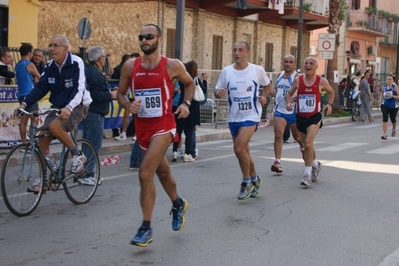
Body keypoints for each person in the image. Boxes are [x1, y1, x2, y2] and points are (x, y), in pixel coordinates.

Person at [117, 24, 193, 247]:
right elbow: (120, 94)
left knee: (144, 173)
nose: (144, 40)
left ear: (159, 39)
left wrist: (186, 104)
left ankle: (145, 228)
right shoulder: (130, 66)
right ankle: (178, 203)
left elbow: (189, 84)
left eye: (149, 37)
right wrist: (128, 104)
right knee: (162, 171)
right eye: (141, 37)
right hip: (142, 128)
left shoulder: (172, 65)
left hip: (164, 126)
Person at [15, 34, 92, 193]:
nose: (51, 49)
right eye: (50, 45)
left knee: (55, 126)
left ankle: (78, 156)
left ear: (65, 48)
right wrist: (24, 103)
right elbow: (39, 88)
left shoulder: (76, 63)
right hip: (58, 106)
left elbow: (79, 89)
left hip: (78, 105)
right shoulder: (50, 66)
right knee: (42, 136)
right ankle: (45, 177)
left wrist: (69, 108)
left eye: (55, 45)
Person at [214, 41, 271, 200]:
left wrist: (264, 96)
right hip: (234, 118)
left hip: (251, 116)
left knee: (239, 148)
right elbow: (217, 90)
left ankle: (246, 182)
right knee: (244, 151)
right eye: (234, 50)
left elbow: (268, 85)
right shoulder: (226, 71)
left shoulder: (256, 70)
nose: (237, 53)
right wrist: (218, 94)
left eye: (240, 50)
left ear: (247, 53)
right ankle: (255, 179)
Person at [286, 56, 334, 187]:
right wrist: (290, 104)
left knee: (308, 144)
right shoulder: (298, 80)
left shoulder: (321, 81)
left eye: (311, 63)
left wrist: (329, 104)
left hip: (314, 117)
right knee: (305, 144)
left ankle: (306, 174)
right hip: (300, 117)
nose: (308, 65)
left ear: (316, 67)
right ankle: (315, 164)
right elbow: (289, 95)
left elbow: (331, 91)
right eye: (306, 63)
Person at [81, 46, 117, 185]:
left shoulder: (90, 71)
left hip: (90, 111)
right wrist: (111, 95)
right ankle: (88, 173)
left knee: (87, 144)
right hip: (95, 112)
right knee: (93, 145)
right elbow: (96, 94)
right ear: (100, 59)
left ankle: (84, 171)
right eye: (103, 58)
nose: (104, 60)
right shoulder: (94, 73)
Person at [270, 55, 304, 173]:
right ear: (283, 63)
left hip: (293, 110)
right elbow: (276, 87)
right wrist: (273, 91)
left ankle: (304, 150)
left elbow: (301, 95)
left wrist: (292, 102)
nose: (288, 64)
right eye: (286, 62)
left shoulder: (298, 78)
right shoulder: (279, 75)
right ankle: (277, 162)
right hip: (280, 110)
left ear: (294, 64)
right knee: (278, 134)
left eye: (290, 62)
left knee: (297, 137)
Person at [173, 60, 206, 162]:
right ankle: (188, 153)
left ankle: (174, 152)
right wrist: (204, 80)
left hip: (181, 103)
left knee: (178, 130)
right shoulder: (195, 79)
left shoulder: (182, 79)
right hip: (192, 106)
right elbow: (203, 90)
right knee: (189, 132)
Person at [15, 44, 41, 146]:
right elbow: (40, 77)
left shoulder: (17, 65)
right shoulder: (29, 64)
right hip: (30, 95)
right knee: (34, 119)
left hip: (21, 95)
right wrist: (37, 79)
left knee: (23, 121)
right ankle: (31, 142)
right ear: (29, 53)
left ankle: (23, 144)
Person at [113, 53, 140, 140]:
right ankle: (123, 133)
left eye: (133, 59)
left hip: (137, 95)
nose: (131, 62)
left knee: (137, 115)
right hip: (129, 94)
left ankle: (137, 134)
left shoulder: (140, 69)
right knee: (126, 113)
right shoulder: (128, 69)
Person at [378, 75, 399, 140]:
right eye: (388, 79)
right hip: (385, 104)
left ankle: (394, 128)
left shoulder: (394, 87)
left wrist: (392, 96)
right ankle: (385, 134)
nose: (389, 80)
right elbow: (382, 93)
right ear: (386, 80)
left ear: (392, 80)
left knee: (393, 119)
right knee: (385, 118)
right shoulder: (384, 87)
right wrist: (380, 100)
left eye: (390, 79)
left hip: (393, 106)